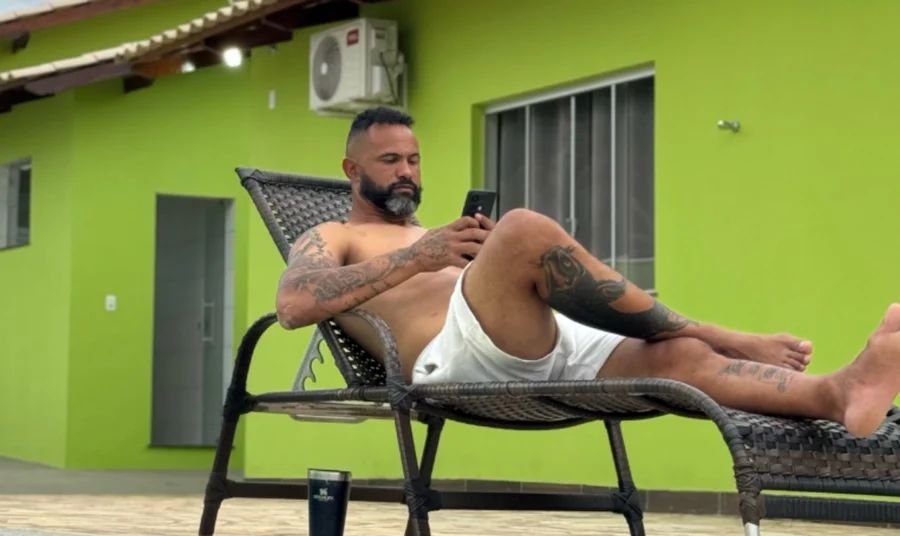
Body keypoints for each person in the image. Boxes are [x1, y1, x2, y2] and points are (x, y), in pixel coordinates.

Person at [275, 106, 899, 438]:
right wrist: (425, 255)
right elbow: (294, 304)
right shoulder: (335, 235)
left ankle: (838, 393)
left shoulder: (435, 234)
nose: (407, 172)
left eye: (413, 159)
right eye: (389, 160)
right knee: (522, 229)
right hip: (454, 361)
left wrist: (459, 255)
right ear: (352, 171)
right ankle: (720, 331)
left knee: (677, 356)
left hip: (536, 340)